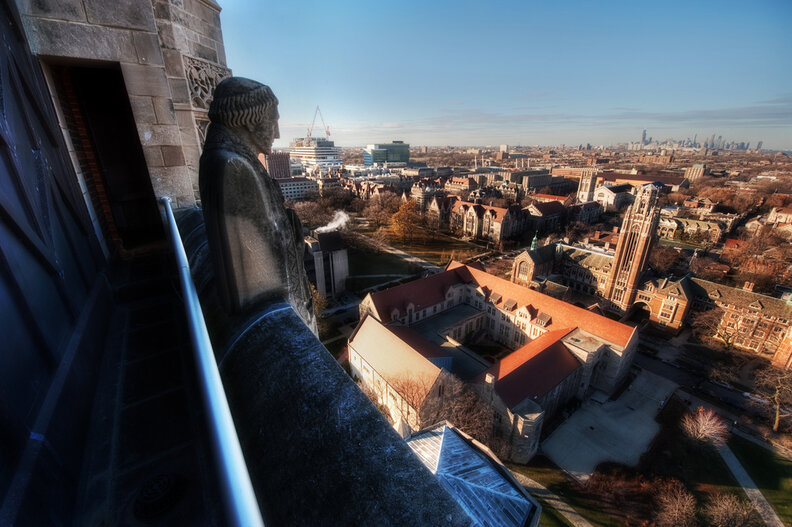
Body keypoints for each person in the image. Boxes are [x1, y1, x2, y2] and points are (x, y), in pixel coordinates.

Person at [199, 77, 316, 333]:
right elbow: (257, 265)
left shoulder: (228, 158)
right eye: (273, 121)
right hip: (273, 315)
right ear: (250, 121)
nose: (277, 133)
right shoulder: (234, 167)